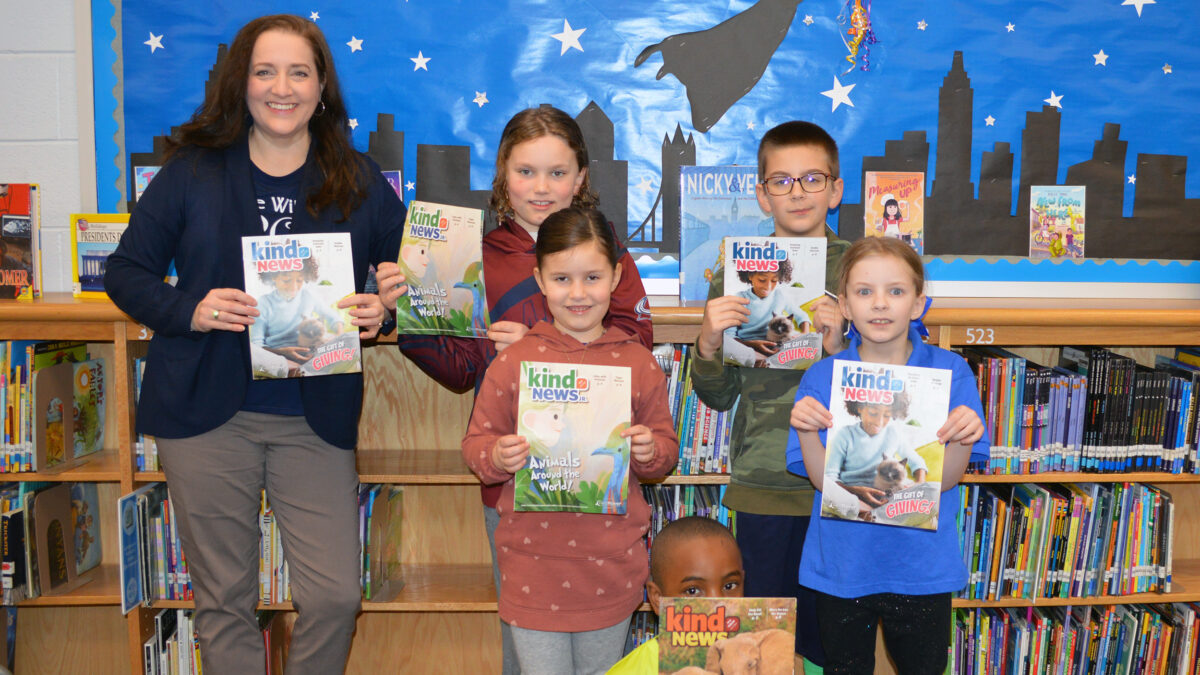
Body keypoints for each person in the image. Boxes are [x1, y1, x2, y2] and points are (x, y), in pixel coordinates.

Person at [103, 14, 404, 674]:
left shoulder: (357, 178)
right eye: (265, 71)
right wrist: (192, 308)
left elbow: (405, 283)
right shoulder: (192, 172)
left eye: (299, 72)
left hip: (314, 416)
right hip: (204, 412)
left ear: (322, 88)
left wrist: (383, 309)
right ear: (241, 83)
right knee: (224, 601)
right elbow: (124, 273)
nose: (281, 87)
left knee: (333, 595)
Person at [380, 105, 653, 675]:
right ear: (503, 173)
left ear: (581, 177)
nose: (542, 187)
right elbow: (456, 368)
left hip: (599, 491)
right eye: (526, 171)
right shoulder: (474, 254)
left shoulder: (608, 250)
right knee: (526, 645)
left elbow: (637, 341)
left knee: (603, 642)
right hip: (515, 486)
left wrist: (543, 343)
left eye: (558, 172)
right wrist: (410, 308)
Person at [461, 206, 677, 675]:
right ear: (539, 280)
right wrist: (498, 455)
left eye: (593, 278)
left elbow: (664, 450)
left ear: (617, 277)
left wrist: (648, 452)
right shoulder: (515, 361)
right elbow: (476, 447)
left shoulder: (638, 363)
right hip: (532, 569)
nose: (577, 294)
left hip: (610, 568)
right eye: (561, 279)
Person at [688, 120, 850, 671]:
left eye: (811, 178)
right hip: (762, 483)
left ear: (836, 188)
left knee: (833, 643)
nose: (797, 192)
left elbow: (895, 380)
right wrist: (708, 341)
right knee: (766, 646)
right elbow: (716, 395)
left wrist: (839, 346)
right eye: (781, 181)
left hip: (843, 487)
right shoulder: (734, 272)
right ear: (761, 193)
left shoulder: (861, 269)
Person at [787, 237, 989, 674]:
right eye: (864, 292)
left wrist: (964, 437)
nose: (880, 304)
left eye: (895, 291)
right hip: (842, 567)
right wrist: (806, 431)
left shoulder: (950, 372)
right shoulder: (823, 377)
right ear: (844, 305)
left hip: (921, 568)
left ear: (919, 304)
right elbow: (824, 482)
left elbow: (947, 478)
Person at [605, 516, 745, 674]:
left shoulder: (757, 656)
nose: (718, 604)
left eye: (729, 586)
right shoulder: (633, 671)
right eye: (692, 591)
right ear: (658, 599)